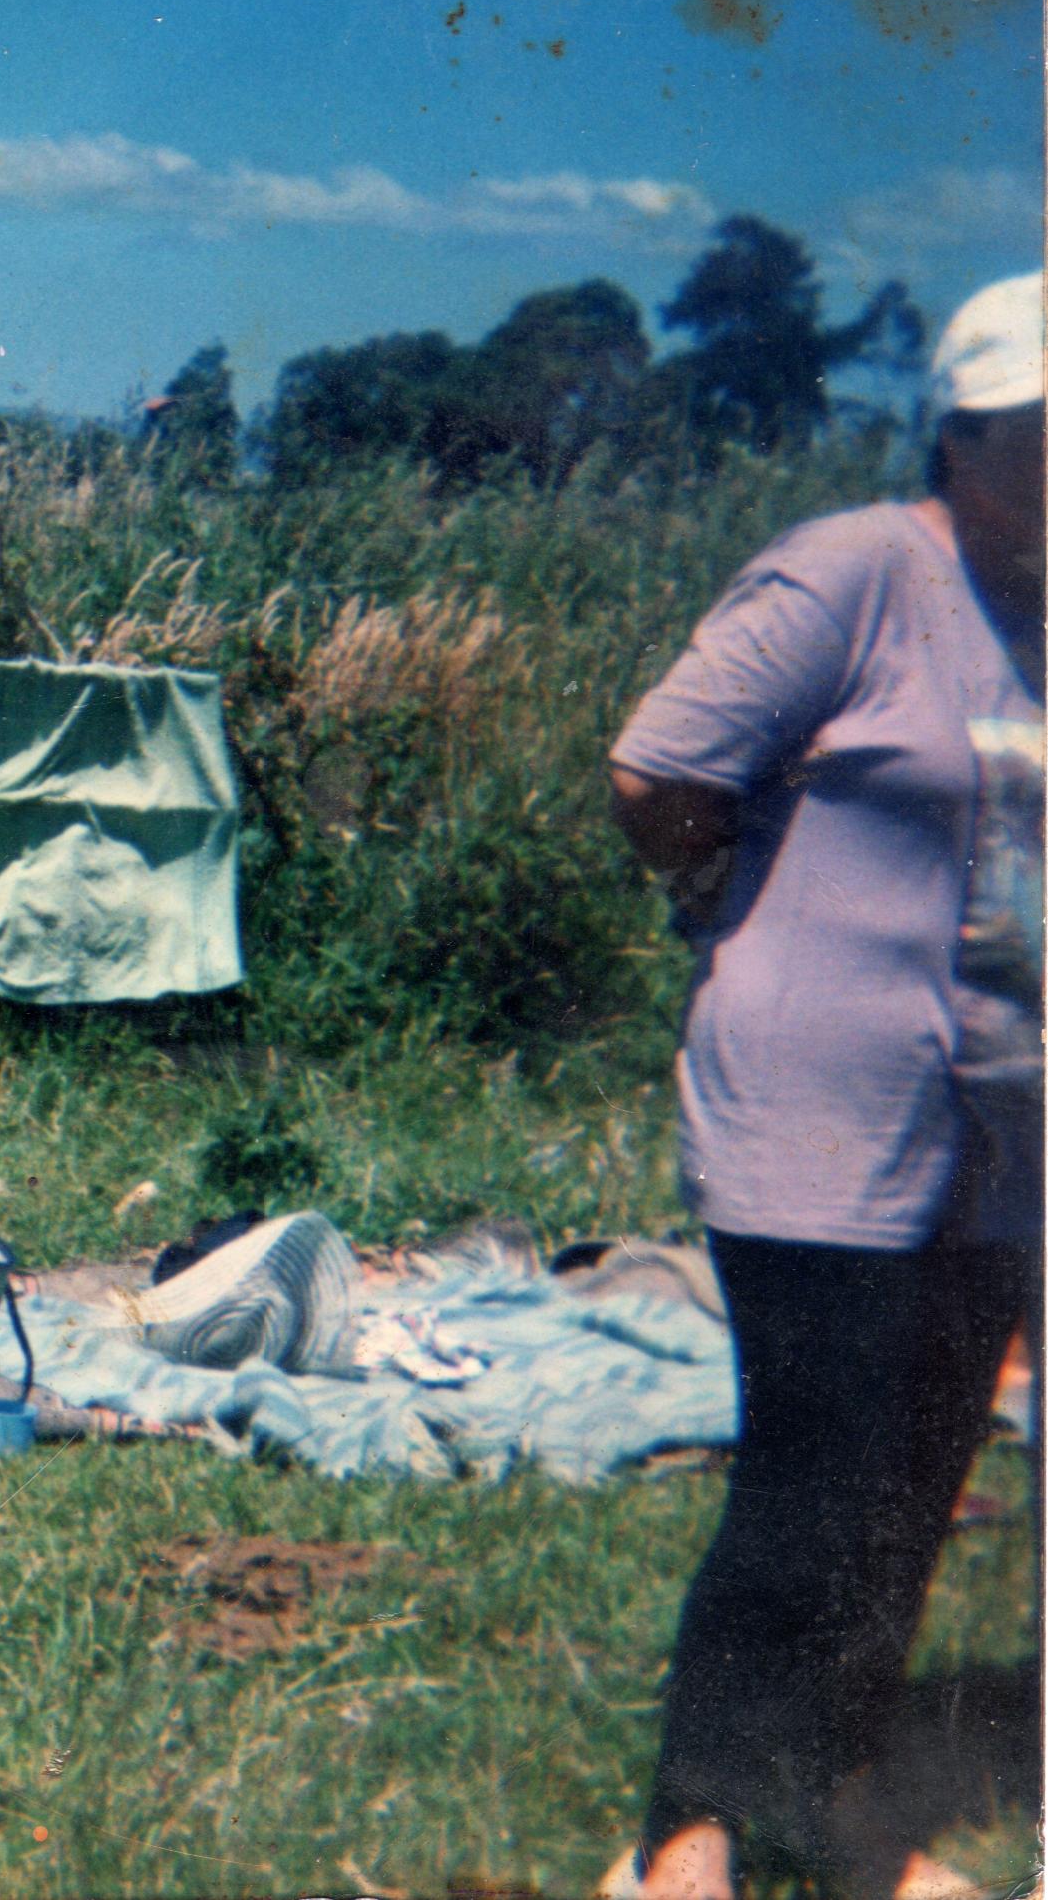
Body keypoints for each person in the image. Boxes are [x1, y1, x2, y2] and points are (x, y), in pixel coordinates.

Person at [604, 271, 1044, 1900]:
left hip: (997, 1116)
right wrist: (721, 901)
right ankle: (687, 1833)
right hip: (821, 1101)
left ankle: (839, 1802)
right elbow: (661, 765)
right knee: (815, 1474)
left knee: (921, 1478)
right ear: (974, 431)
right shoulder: (860, 572)